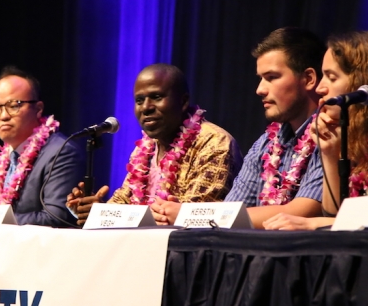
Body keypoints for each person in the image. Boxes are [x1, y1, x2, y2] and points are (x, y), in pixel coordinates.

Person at [66, 63, 242, 226]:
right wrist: (95, 211)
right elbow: (124, 201)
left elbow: (195, 216)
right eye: (139, 100)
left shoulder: (214, 142)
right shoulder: (145, 149)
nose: (146, 108)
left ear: (183, 101)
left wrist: (115, 215)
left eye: (156, 97)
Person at [264, 31, 368, 230]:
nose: (320, 88)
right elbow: (335, 214)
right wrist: (329, 154)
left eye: (331, 77)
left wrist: (314, 224)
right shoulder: (356, 133)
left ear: (363, 82)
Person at [198, 27, 327, 229]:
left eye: (272, 77)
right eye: (260, 78)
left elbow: (303, 210)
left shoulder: (330, 133)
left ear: (309, 79)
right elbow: (233, 207)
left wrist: (191, 214)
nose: (260, 89)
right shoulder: (266, 143)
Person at [0, 66, 84, 227]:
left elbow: (57, 216)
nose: (3, 116)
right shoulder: (4, 159)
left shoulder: (62, 152)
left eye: (13, 106)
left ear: (38, 109)